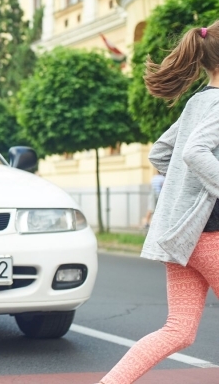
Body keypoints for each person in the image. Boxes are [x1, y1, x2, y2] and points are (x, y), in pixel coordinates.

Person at [99, 24, 219, 384]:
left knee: (178, 329)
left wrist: (189, 192)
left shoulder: (198, 102)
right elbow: (194, 152)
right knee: (177, 328)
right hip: (211, 237)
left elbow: (161, 152)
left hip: (184, 236)